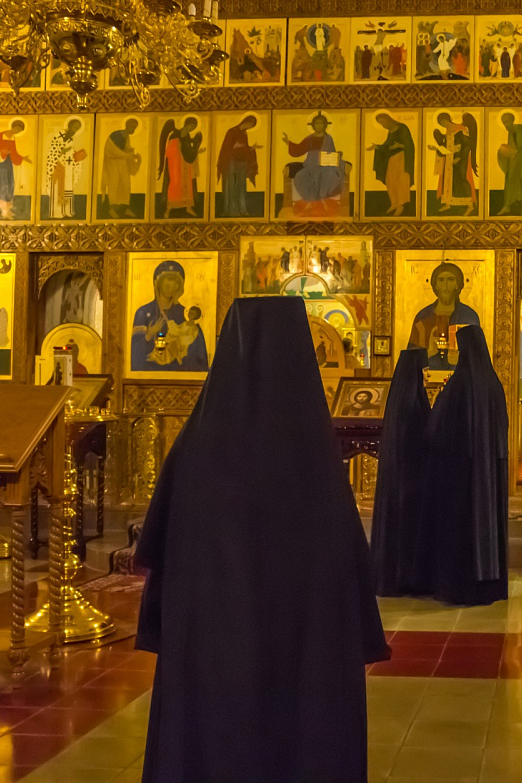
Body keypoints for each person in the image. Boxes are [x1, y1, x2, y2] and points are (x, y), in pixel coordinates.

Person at [135, 297, 389, 783]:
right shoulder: (316, 456)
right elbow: (347, 566)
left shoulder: (194, 447)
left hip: (211, 653)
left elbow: (160, 551)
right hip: (303, 653)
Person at [424, 325, 509, 606]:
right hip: (491, 471)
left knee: (462, 530)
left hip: (462, 472)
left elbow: (437, 429)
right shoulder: (494, 384)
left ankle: (461, 588)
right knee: (488, 527)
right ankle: (491, 586)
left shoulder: (459, 384)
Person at [370, 348, 432, 597]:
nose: (426, 377)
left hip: (403, 481)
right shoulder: (412, 405)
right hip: (411, 482)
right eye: (423, 372)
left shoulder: (400, 401)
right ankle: (406, 578)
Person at [130, 261, 209, 373]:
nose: (174, 285)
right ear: (159, 282)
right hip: (150, 375)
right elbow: (136, 356)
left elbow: (198, 357)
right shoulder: (143, 312)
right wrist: (149, 335)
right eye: (171, 279)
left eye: (177, 282)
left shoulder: (187, 314)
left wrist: (182, 339)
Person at [407, 261, 480, 370]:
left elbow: (478, 357)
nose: (445, 286)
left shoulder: (469, 317)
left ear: (457, 285)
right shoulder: (422, 318)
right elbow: (410, 361)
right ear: (435, 285)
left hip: (461, 378)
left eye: (451, 280)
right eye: (441, 280)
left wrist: (461, 359)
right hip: (429, 377)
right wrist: (429, 353)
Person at [282, 112, 347, 219]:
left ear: (325, 125)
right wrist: (288, 143)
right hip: (310, 165)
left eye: (321, 123)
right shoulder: (310, 138)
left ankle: (321, 201)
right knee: (300, 176)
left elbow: (332, 154)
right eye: (317, 123)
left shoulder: (328, 138)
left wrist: (339, 158)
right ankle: (311, 202)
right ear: (313, 125)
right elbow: (298, 150)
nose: (319, 125)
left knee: (328, 175)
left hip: (325, 167)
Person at [368, 113, 415, 216]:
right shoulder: (391, 132)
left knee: (401, 180)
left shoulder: (402, 128)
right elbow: (388, 145)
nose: (382, 125)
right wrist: (377, 147)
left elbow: (409, 144)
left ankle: (401, 204)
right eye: (380, 123)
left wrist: (400, 145)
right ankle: (394, 203)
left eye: (382, 122)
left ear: (388, 119)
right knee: (390, 180)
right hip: (392, 159)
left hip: (402, 158)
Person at [157, 117, 203, 219]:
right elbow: (169, 151)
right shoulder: (175, 134)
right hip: (175, 163)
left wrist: (196, 151)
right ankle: (168, 209)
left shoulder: (187, 136)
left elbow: (189, 150)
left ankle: (188, 207)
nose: (192, 128)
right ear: (186, 124)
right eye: (191, 126)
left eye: (194, 127)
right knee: (175, 183)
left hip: (186, 163)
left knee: (187, 184)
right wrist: (178, 145)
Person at [216, 115, 261, 219]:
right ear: (245, 121)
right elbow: (226, 148)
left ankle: (242, 209)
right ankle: (231, 210)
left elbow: (243, 148)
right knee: (230, 184)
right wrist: (237, 147)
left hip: (241, 161)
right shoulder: (231, 132)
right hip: (231, 160)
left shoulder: (244, 134)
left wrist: (251, 148)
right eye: (250, 124)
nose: (249, 127)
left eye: (252, 126)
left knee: (241, 184)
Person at [495, 112, 522, 216]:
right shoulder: (510, 133)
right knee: (509, 178)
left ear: (512, 120)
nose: (505, 125)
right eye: (503, 123)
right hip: (514, 159)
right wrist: (503, 152)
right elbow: (512, 146)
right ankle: (507, 205)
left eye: (506, 122)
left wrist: (516, 151)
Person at [0, 119, 30, 220]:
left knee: (10, 184)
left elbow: (14, 152)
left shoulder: (12, 138)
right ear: (13, 127)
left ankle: (6, 209)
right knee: (0, 184)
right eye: (17, 129)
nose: (17, 132)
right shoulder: (0, 136)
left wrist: (23, 158)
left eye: (19, 131)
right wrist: (3, 152)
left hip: (8, 163)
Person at [100, 118, 141, 219]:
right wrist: (128, 155)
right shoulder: (116, 135)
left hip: (123, 164)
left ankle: (125, 208)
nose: (133, 129)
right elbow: (113, 151)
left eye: (135, 128)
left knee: (125, 185)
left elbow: (126, 150)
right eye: (132, 127)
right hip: (113, 164)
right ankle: (112, 209)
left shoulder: (126, 137)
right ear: (127, 125)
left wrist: (133, 155)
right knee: (114, 185)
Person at [45, 118, 85, 219]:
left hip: (67, 167)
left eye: (77, 129)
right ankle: (57, 212)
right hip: (57, 167)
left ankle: (66, 210)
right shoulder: (58, 136)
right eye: (75, 127)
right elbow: (53, 152)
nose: (75, 131)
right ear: (70, 126)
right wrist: (63, 151)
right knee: (58, 188)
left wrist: (78, 156)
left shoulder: (70, 140)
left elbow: (70, 152)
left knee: (67, 188)